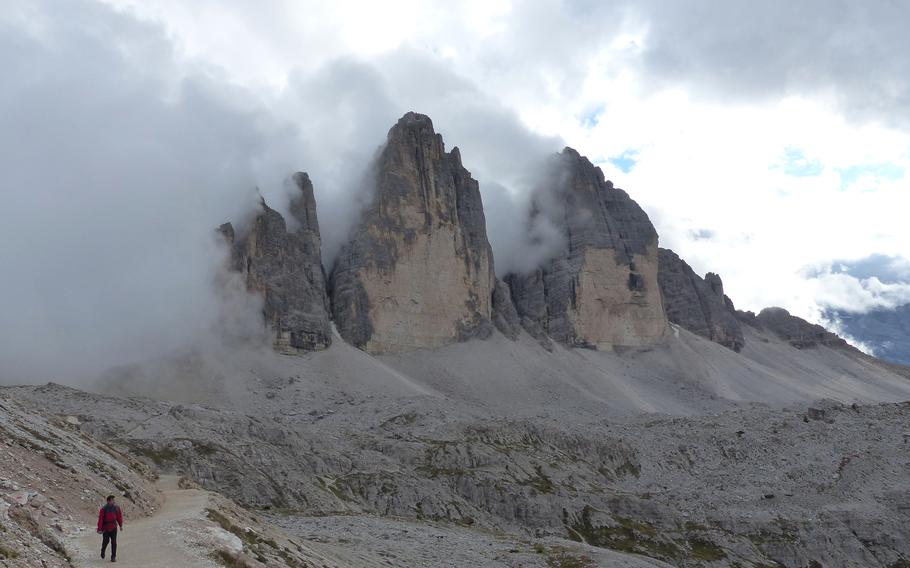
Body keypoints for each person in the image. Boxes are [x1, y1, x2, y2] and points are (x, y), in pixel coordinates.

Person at [97, 494, 124, 562]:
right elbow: (100, 519)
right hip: (106, 528)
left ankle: (113, 557)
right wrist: (99, 529)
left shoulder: (117, 508)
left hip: (114, 527)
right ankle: (103, 551)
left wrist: (120, 525)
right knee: (106, 541)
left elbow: (119, 517)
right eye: (112, 500)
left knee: (114, 542)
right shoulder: (103, 509)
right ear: (108, 501)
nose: (114, 501)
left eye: (114, 500)